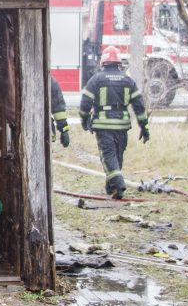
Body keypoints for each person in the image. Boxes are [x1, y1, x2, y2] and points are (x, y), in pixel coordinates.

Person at [79, 46, 150, 199]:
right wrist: (144, 127)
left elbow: (85, 101)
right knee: (117, 156)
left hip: (103, 126)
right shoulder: (128, 80)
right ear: (119, 63)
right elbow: (139, 106)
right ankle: (112, 187)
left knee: (108, 155)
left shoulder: (96, 79)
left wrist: (84, 118)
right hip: (122, 126)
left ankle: (118, 184)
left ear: (103, 63)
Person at [50, 75, 71, 148]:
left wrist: (64, 130)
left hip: (41, 131)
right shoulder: (50, 81)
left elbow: (57, 107)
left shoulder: (50, 81)